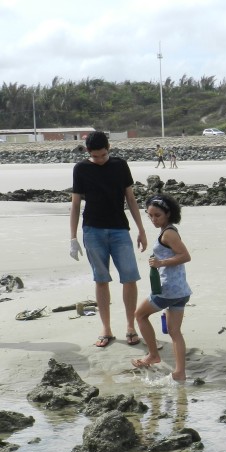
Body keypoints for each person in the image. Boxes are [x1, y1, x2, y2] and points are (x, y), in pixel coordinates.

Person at [70, 130, 147, 347]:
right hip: (93, 230)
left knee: (129, 278)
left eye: (103, 155)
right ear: (88, 152)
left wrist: (141, 230)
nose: (100, 160)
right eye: (95, 157)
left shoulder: (120, 166)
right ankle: (106, 328)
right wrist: (72, 237)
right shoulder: (81, 169)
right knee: (101, 279)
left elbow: (131, 199)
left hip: (120, 230)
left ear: (109, 149)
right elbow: (75, 205)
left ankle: (131, 326)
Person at [132, 194, 192, 382]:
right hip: (181, 290)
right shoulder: (168, 231)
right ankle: (180, 372)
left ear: (168, 213)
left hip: (168, 290)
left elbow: (185, 256)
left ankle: (152, 354)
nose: (153, 219)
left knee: (140, 315)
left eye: (157, 215)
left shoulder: (169, 233)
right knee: (175, 332)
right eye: (150, 216)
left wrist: (160, 263)